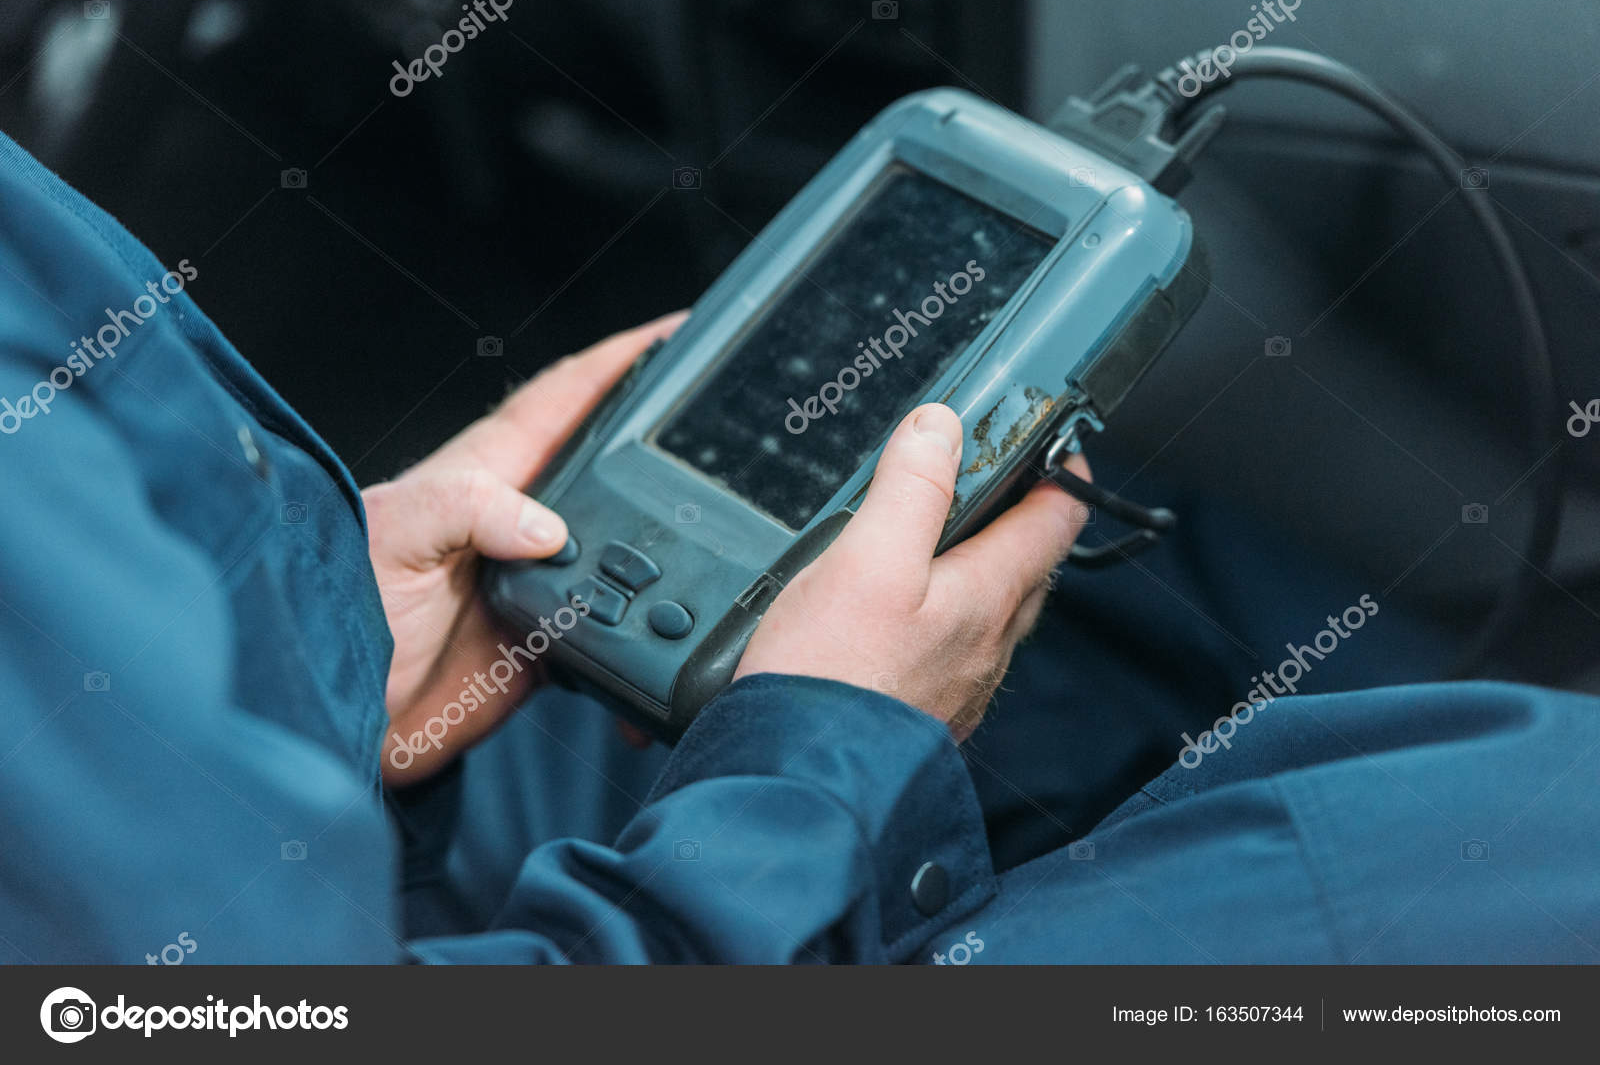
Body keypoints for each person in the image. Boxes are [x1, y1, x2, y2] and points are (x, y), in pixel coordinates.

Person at [1, 129, 1596, 965]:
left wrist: (323, 656)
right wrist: (825, 758)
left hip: (319, 817)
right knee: (1552, 819)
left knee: (1114, 618)